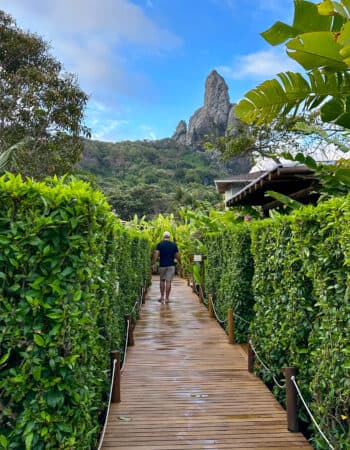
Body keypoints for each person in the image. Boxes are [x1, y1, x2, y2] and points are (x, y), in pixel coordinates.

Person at [153, 231, 181, 304]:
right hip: (171, 265)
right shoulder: (173, 245)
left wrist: (154, 262)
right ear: (169, 237)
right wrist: (180, 262)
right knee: (168, 281)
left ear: (163, 236)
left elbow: (156, 254)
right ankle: (167, 298)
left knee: (162, 281)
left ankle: (162, 297)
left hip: (162, 265)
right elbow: (177, 255)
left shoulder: (159, 244)